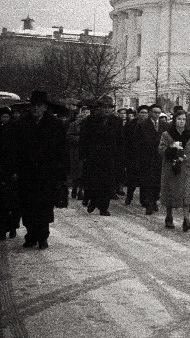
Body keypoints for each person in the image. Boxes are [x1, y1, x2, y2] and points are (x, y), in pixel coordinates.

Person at [8, 91, 69, 249]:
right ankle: (31, 236)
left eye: (39, 106)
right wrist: (13, 169)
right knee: (27, 206)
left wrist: (62, 173)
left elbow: (63, 150)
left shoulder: (55, 125)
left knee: (44, 206)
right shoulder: (21, 124)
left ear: (45, 107)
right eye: (33, 105)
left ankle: (42, 236)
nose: (36, 108)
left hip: (47, 173)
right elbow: (13, 150)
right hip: (26, 172)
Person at [79, 95, 123, 216]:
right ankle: (93, 201)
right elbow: (84, 139)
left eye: (109, 107)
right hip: (94, 156)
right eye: (104, 107)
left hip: (110, 157)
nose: (107, 110)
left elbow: (120, 141)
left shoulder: (117, 121)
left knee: (107, 183)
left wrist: (119, 157)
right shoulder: (90, 120)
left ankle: (104, 207)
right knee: (94, 181)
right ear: (100, 108)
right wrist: (83, 155)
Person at [158, 109, 190, 231]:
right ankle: (169, 216)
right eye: (179, 119)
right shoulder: (167, 134)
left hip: (185, 168)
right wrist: (171, 150)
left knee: (186, 193)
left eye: (183, 119)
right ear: (174, 120)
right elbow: (161, 149)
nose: (181, 122)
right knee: (170, 192)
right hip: (171, 167)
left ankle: (186, 219)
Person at [134, 103, 166, 215]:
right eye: (154, 112)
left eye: (158, 112)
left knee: (157, 181)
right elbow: (137, 143)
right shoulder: (142, 125)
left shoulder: (164, 125)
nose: (157, 115)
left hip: (159, 157)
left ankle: (154, 200)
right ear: (150, 113)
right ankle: (148, 202)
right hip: (146, 157)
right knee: (147, 181)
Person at [0, 106, 20, 240]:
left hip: (11, 170)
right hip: (2, 170)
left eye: (7, 116)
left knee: (13, 202)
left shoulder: (14, 130)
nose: (5, 119)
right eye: (3, 117)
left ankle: (12, 227)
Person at [124, 105, 149, 205]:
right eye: (142, 112)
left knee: (144, 178)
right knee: (132, 178)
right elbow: (125, 140)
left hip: (145, 155)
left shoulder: (149, 125)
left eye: (145, 113)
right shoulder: (131, 124)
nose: (143, 115)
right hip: (133, 154)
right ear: (138, 114)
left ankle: (143, 200)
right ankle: (129, 196)